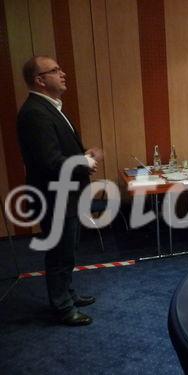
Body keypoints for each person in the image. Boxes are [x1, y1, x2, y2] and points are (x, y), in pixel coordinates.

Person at [17, 56, 103, 326]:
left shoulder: (51, 108)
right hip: (55, 198)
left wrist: (81, 154)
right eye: (55, 70)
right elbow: (49, 161)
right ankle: (63, 307)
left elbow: (58, 152)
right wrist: (85, 162)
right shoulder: (34, 113)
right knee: (59, 254)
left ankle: (67, 293)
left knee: (68, 251)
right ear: (40, 80)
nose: (63, 73)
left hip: (67, 196)